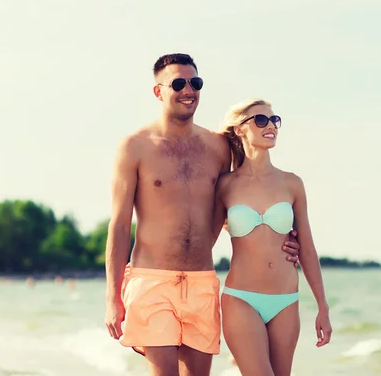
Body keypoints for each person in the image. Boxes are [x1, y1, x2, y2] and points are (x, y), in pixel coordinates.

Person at [103, 53, 301, 376]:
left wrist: (284, 238)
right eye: (178, 83)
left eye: (195, 83)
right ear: (158, 91)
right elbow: (120, 224)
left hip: (201, 282)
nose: (188, 90)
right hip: (152, 280)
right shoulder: (134, 147)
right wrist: (113, 297)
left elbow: (243, 197)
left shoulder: (219, 147)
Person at [216, 98, 332, 376]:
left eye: (274, 120)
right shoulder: (224, 185)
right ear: (241, 129)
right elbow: (203, 237)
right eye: (260, 120)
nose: (271, 126)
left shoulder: (292, 183)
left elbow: (308, 249)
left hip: (286, 301)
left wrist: (322, 307)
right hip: (241, 299)